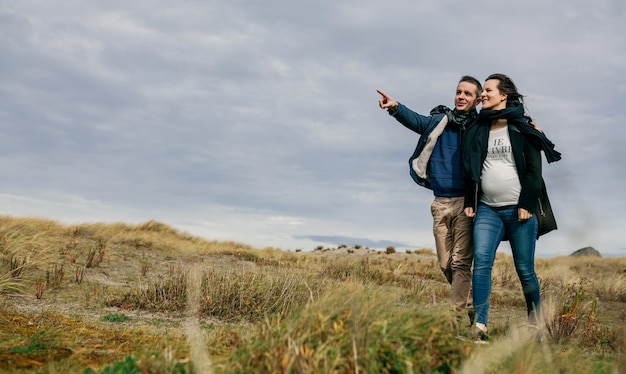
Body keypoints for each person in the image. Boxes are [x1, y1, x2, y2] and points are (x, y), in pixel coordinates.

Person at [462, 73, 561, 342]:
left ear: (503, 95)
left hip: (519, 210)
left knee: (525, 270)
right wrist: (471, 202)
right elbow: (470, 170)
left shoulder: (521, 126)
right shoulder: (478, 126)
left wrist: (527, 204)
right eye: (482, 90)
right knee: (481, 264)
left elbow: (533, 170)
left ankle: (537, 325)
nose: (483, 94)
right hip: (487, 209)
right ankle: (479, 329)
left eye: (488, 90)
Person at [377, 76, 482, 325]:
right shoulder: (440, 120)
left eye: (468, 94)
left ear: (477, 100)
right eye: (459, 92)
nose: (461, 97)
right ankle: (472, 307)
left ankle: (454, 321)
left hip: (466, 204)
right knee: (445, 263)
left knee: (460, 263)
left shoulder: (480, 128)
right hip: (439, 203)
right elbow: (416, 121)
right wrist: (395, 107)